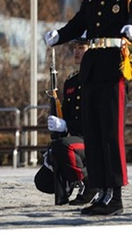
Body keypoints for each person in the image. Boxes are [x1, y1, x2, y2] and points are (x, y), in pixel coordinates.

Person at [43, 0, 132, 216]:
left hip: (113, 62)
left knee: (111, 133)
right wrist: (59, 36)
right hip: (92, 63)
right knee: (94, 132)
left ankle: (115, 194)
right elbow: (79, 23)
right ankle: (101, 190)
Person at [34, 36, 97, 206]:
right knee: (43, 181)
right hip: (77, 140)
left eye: (81, 47)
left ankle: (89, 184)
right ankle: (71, 183)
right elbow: (68, 115)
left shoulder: (97, 80)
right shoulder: (71, 80)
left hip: (94, 141)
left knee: (64, 146)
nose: (76, 51)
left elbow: (94, 118)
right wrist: (58, 122)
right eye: (75, 47)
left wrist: (67, 125)